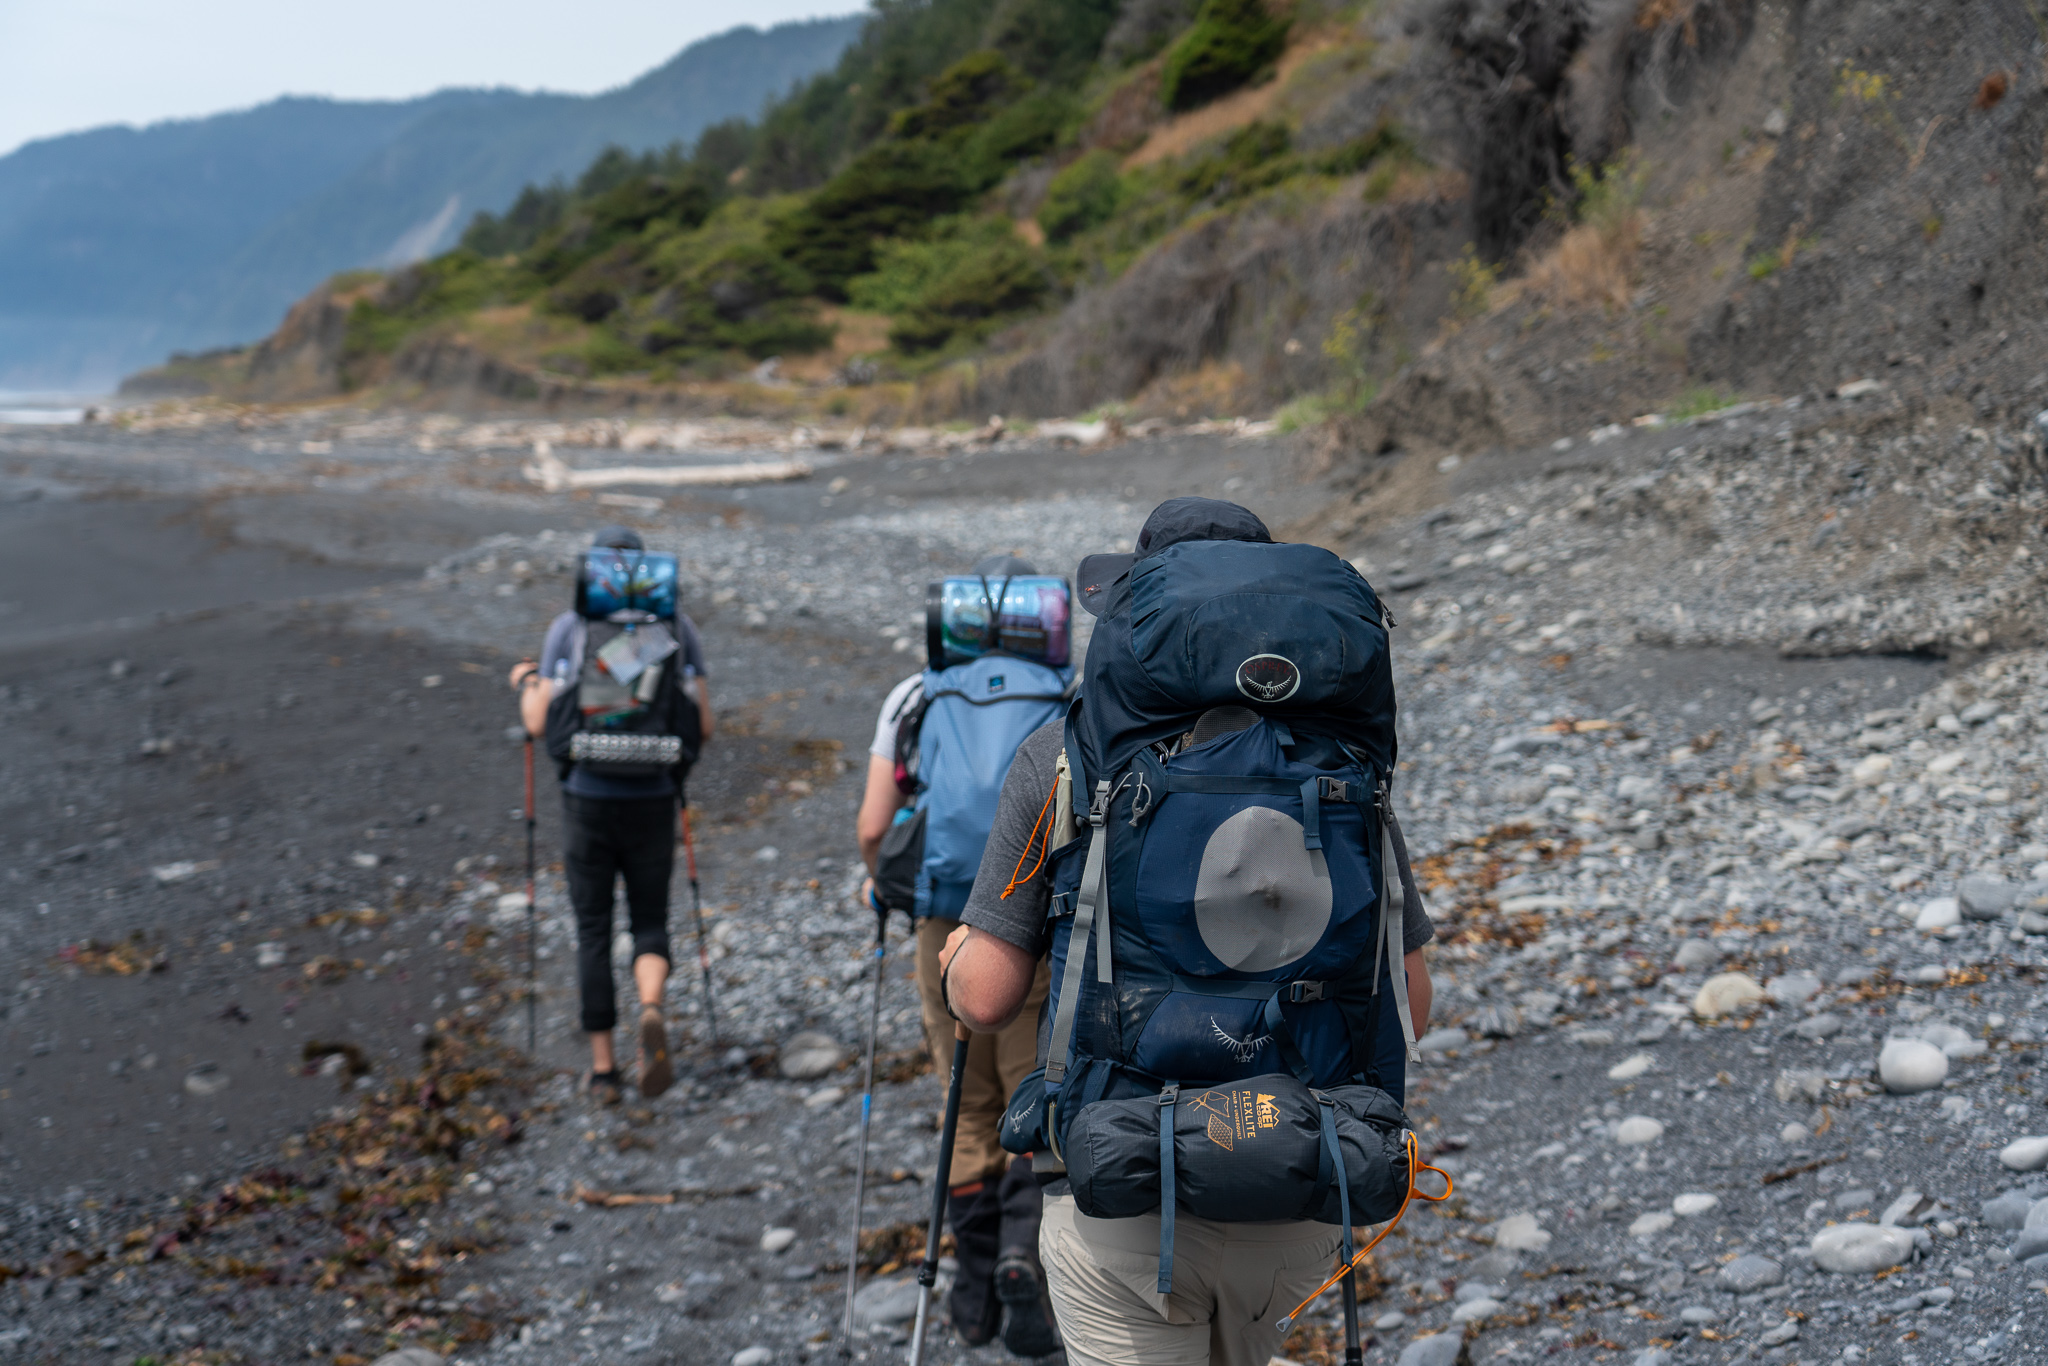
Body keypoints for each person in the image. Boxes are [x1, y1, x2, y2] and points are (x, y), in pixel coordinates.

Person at [938, 500, 1436, 1366]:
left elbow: (986, 1000)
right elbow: (1411, 1008)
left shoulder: (1063, 752)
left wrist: (954, 960)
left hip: (1120, 1182)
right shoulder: (1344, 769)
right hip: (1299, 1180)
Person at [856, 553, 1065, 1358]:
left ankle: (972, 1299)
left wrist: (883, 886)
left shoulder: (915, 695)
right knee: (1035, 1091)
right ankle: (1026, 1259)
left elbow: (875, 824)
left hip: (943, 922)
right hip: (1036, 925)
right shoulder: (1069, 694)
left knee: (964, 1098)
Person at [509, 526, 714, 1105]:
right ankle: (651, 1006)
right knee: (649, 919)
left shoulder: (571, 626)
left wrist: (526, 680)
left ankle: (602, 1071)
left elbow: (537, 721)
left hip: (587, 797)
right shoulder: (676, 627)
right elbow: (700, 726)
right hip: (652, 794)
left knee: (593, 928)